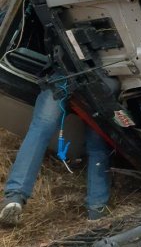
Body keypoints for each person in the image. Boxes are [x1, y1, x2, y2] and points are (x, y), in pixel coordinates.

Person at [0, 79, 112, 225]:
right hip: (100, 78)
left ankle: (14, 197)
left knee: (40, 130)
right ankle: (97, 207)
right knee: (97, 143)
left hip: (63, 74)